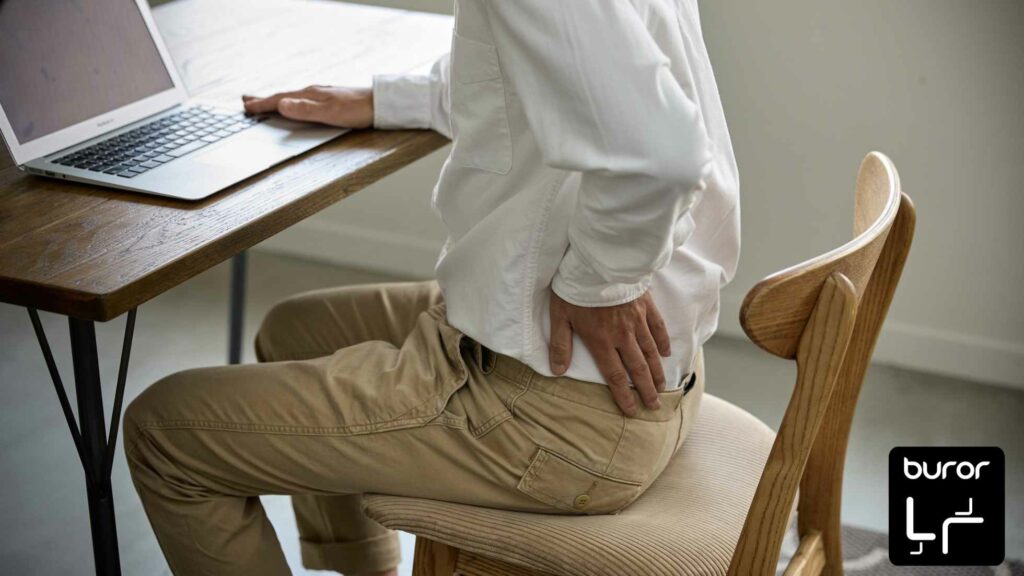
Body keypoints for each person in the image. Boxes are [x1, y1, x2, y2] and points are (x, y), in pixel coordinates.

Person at [123, 0, 739, 574]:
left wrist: (599, 284)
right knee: (294, 331)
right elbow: (546, 76)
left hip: (561, 415)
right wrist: (390, 99)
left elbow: (660, 154)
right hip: (641, 377)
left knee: (164, 436)